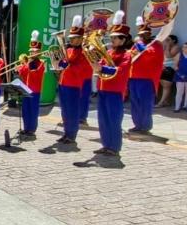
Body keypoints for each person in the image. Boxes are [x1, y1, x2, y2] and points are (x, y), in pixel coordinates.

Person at [94, 16, 133, 156]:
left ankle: (114, 148)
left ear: (123, 40)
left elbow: (120, 71)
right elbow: (100, 66)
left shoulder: (126, 55)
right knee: (103, 119)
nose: (112, 40)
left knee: (114, 120)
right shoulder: (108, 53)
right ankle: (106, 145)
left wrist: (102, 69)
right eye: (112, 37)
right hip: (103, 88)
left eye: (116, 38)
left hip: (115, 91)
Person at [128, 15, 168, 133]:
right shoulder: (137, 44)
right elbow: (131, 55)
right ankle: (137, 124)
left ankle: (145, 126)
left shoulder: (155, 44)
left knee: (145, 104)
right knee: (135, 103)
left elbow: (148, 54)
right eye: (140, 34)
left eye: (144, 34)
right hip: (133, 77)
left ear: (149, 34)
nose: (141, 36)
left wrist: (139, 44)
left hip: (146, 79)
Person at [56, 15, 91, 144]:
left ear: (81, 38)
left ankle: (72, 134)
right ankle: (66, 133)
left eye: (74, 38)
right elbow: (64, 62)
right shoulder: (69, 49)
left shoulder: (85, 52)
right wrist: (59, 63)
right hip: (63, 83)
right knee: (64, 110)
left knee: (72, 110)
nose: (71, 40)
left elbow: (81, 68)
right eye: (70, 38)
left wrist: (69, 64)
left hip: (74, 85)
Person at [17, 32, 46, 138]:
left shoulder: (41, 63)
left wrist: (28, 66)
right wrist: (18, 69)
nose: (32, 53)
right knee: (25, 109)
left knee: (33, 111)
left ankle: (32, 129)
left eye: (34, 51)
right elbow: (23, 73)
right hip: (26, 89)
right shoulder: (28, 63)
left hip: (35, 91)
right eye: (31, 51)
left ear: (39, 52)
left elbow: (36, 74)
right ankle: (26, 128)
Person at [156, 34, 180, 108]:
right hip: (162, 67)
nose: (166, 41)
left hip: (169, 68)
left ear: (174, 40)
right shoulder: (164, 46)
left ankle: (161, 102)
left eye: (168, 40)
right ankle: (166, 101)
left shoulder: (176, 47)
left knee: (166, 86)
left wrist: (167, 46)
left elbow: (169, 55)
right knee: (162, 85)